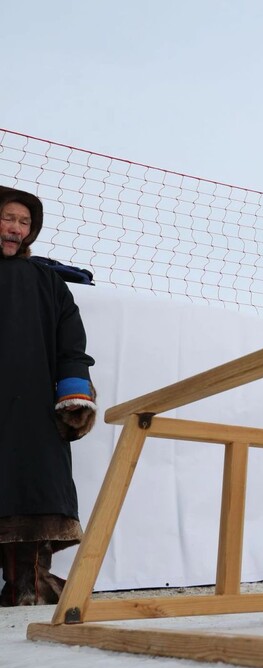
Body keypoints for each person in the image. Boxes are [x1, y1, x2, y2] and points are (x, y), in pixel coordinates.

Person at [0, 187, 98, 606]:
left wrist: (74, 395)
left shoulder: (48, 282)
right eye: (8, 218)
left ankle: (29, 586)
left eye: (25, 222)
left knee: (30, 490)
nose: (16, 228)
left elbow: (71, 347)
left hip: (33, 406)